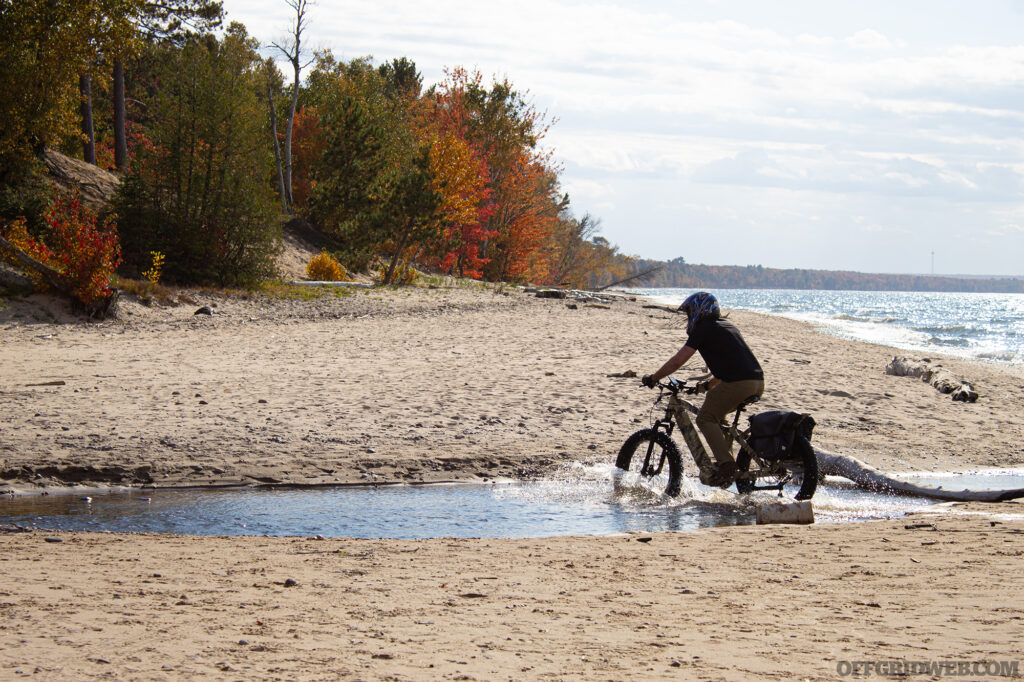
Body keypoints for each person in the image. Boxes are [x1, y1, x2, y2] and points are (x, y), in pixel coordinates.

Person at [641, 292, 764, 487]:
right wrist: (705, 386)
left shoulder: (704, 328)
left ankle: (726, 465)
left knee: (705, 418)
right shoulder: (726, 326)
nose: (689, 317)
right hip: (756, 382)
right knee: (717, 414)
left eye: (690, 313)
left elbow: (678, 360)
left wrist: (654, 377)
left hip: (738, 383)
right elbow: (730, 366)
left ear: (699, 311)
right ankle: (727, 461)